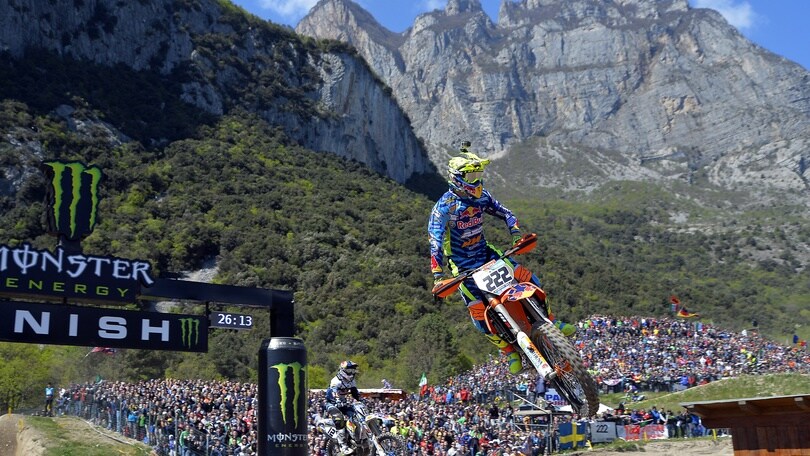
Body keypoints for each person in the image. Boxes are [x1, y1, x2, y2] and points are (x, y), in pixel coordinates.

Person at [428, 142, 575, 374]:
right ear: (457, 178)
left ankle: (552, 322)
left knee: (528, 278)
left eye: (478, 174)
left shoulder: (482, 197)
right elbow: (434, 241)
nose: (477, 179)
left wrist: (515, 233)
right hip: (463, 267)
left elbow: (505, 212)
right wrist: (438, 275)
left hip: (488, 254)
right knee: (477, 312)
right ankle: (509, 352)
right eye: (472, 175)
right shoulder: (443, 207)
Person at [325, 360, 362, 455]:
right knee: (339, 419)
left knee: (356, 416)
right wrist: (337, 400)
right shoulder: (336, 380)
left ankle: (356, 439)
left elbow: (355, 393)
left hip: (343, 403)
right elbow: (334, 393)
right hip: (332, 404)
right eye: (349, 371)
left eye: (353, 371)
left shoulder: (352, 381)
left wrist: (361, 400)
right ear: (343, 371)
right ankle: (343, 446)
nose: (352, 373)